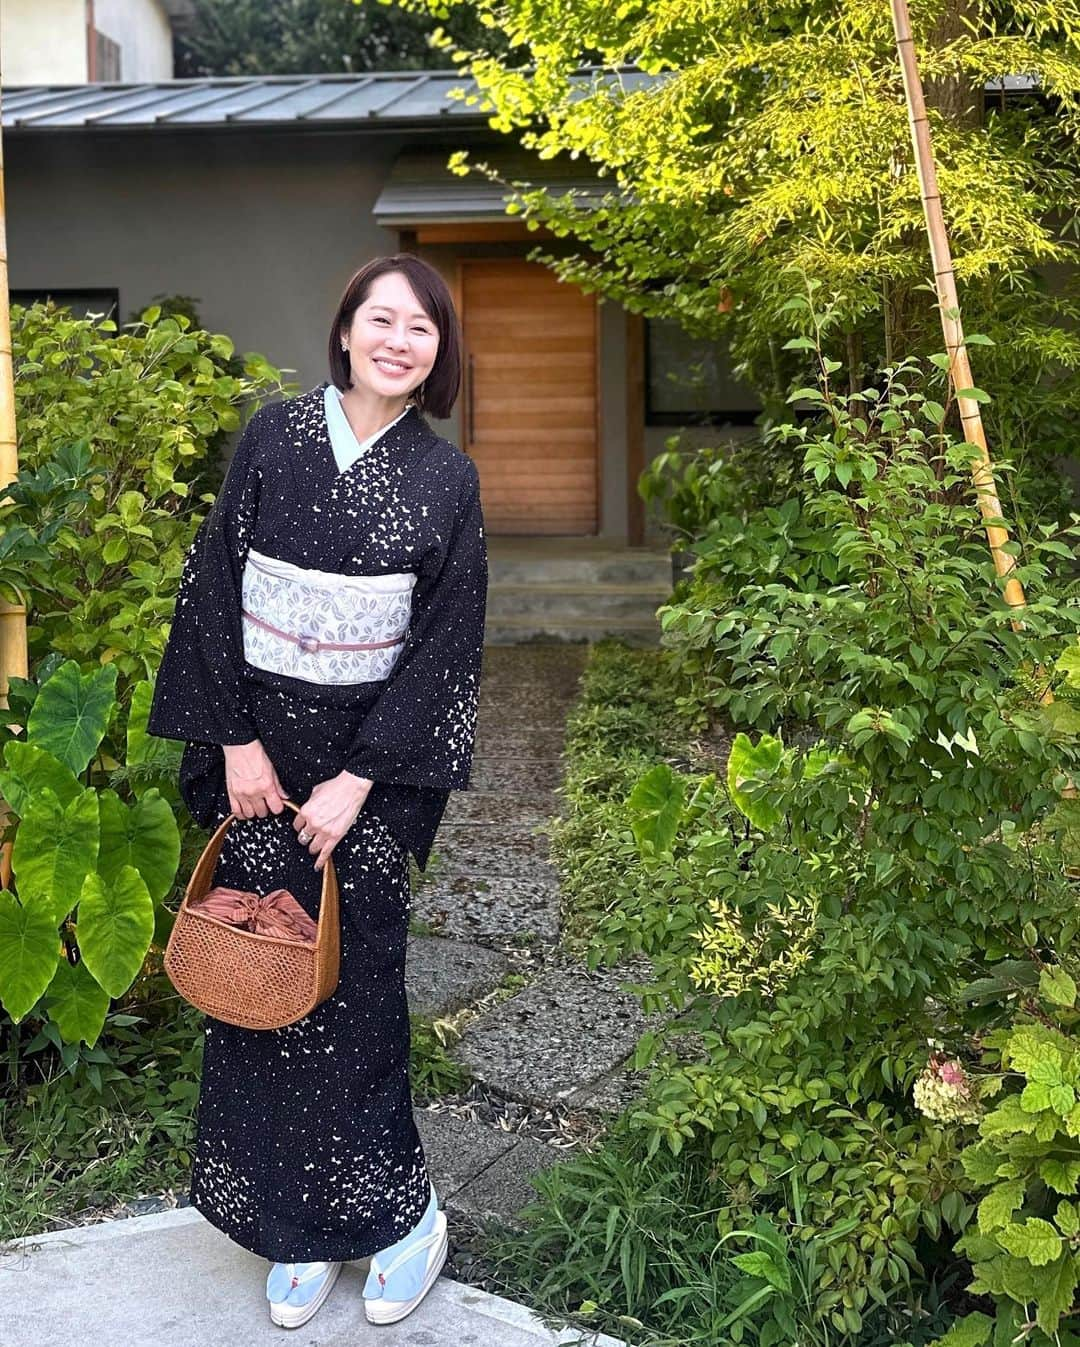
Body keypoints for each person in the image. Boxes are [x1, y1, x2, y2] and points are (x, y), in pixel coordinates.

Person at [147, 254, 487, 1328]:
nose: (398, 339)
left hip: (367, 777)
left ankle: (397, 1220)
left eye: (420, 328)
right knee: (258, 978)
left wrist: (358, 779)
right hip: (257, 767)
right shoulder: (272, 439)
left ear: (438, 355)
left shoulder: (447, 481)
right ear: (344, 332)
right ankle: (292, 1226)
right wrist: (237, 745)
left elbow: (444, 648)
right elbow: (213, 588)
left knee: (352, 994)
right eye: (380, 319)